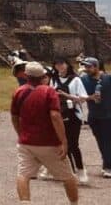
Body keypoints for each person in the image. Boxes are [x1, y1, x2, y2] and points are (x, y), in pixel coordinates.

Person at [11, 62, 79, 204]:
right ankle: (74, 203)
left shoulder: (18, 92)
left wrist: (20, 134)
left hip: (26, 142)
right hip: (49, 141)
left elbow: (14, 117)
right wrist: (63, 140)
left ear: (26, 75)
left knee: (23, 175)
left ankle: (25, 202)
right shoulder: (49, 91)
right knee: (68, 176)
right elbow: (55, 116)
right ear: (43, 76)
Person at [49, 58, 89, 185]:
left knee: (73, 145)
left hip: (74, 116)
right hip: (59, 115)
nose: (59, 66)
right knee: (63, 144)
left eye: (62, 63)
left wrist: (66, 95)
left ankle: (81, 170)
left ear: (67, 65)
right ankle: (70, 172)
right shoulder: (53, 80)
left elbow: (83, 98)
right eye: (57, 64)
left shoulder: (76, 79)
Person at [80, 56, 111, 177]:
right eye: (85, 66)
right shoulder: (83, 80)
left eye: (89, 66)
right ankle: (107, 164)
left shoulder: (107, 78)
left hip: (108, 115)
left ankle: (107, 166)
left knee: (107, 141)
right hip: (94, 116)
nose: (86, 69)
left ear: (96, 67)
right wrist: (90, 97)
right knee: (101, 141)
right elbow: (79, 96)